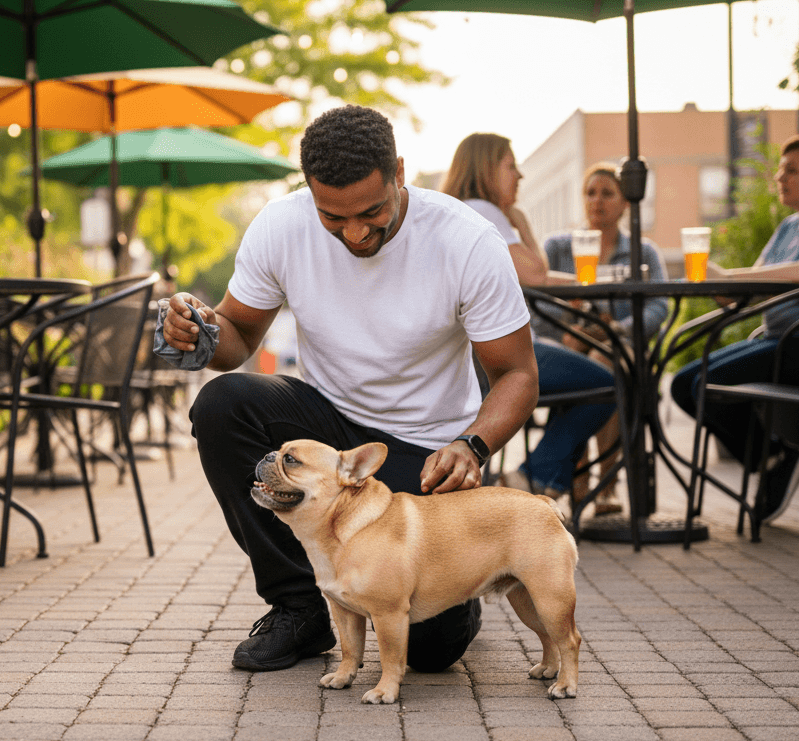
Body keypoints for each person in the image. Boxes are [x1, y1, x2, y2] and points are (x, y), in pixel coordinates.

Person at [160, 106, 539, 674]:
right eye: (332, 217)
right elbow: (236, 340)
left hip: (428, 451)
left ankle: (459, 602)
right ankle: (300, 607)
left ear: (400, 173)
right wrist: (199, 330)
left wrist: (474, 445)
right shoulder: (281, 225)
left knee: (432, 650)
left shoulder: (465, 241)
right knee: (223, 404)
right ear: (309, 193)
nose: (356, 232)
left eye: (372, 212)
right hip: (328, 434)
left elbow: (518, 374)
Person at [670, 134, 799, 525]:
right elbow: (752, 289)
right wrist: (719, 285)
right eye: (780, 170)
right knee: (685, 384)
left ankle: (777, 456)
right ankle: (773, 456)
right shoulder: (788, 228)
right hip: (784, 344)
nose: (780, 177)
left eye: (792, 170)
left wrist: (729, 276)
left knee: (704, 384)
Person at [439, 133, 615, 503]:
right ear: (486, 168)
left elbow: (533, 276)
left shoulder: (455, 209)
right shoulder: (483, 211)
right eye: (510, 165)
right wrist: (522, 226)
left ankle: (543, 477)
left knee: (580, 382)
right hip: (489, 354)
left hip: (464, 351)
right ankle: (533, 478)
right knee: (605, 384)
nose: (519, 176)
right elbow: (536, 274)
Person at [538, 163, 669, 513]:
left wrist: (620, 327)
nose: (597, 201)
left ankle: (599, 485)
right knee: (583, 364)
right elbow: (533, 301)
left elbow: (659, 305)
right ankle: (585, 485)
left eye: (607, 193)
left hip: (621, 348)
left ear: (626, 202)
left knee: (604, 361)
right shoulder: (559, 247)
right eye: (590, 192)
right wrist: (566, 333)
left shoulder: (644, 251)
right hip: (568, 344)